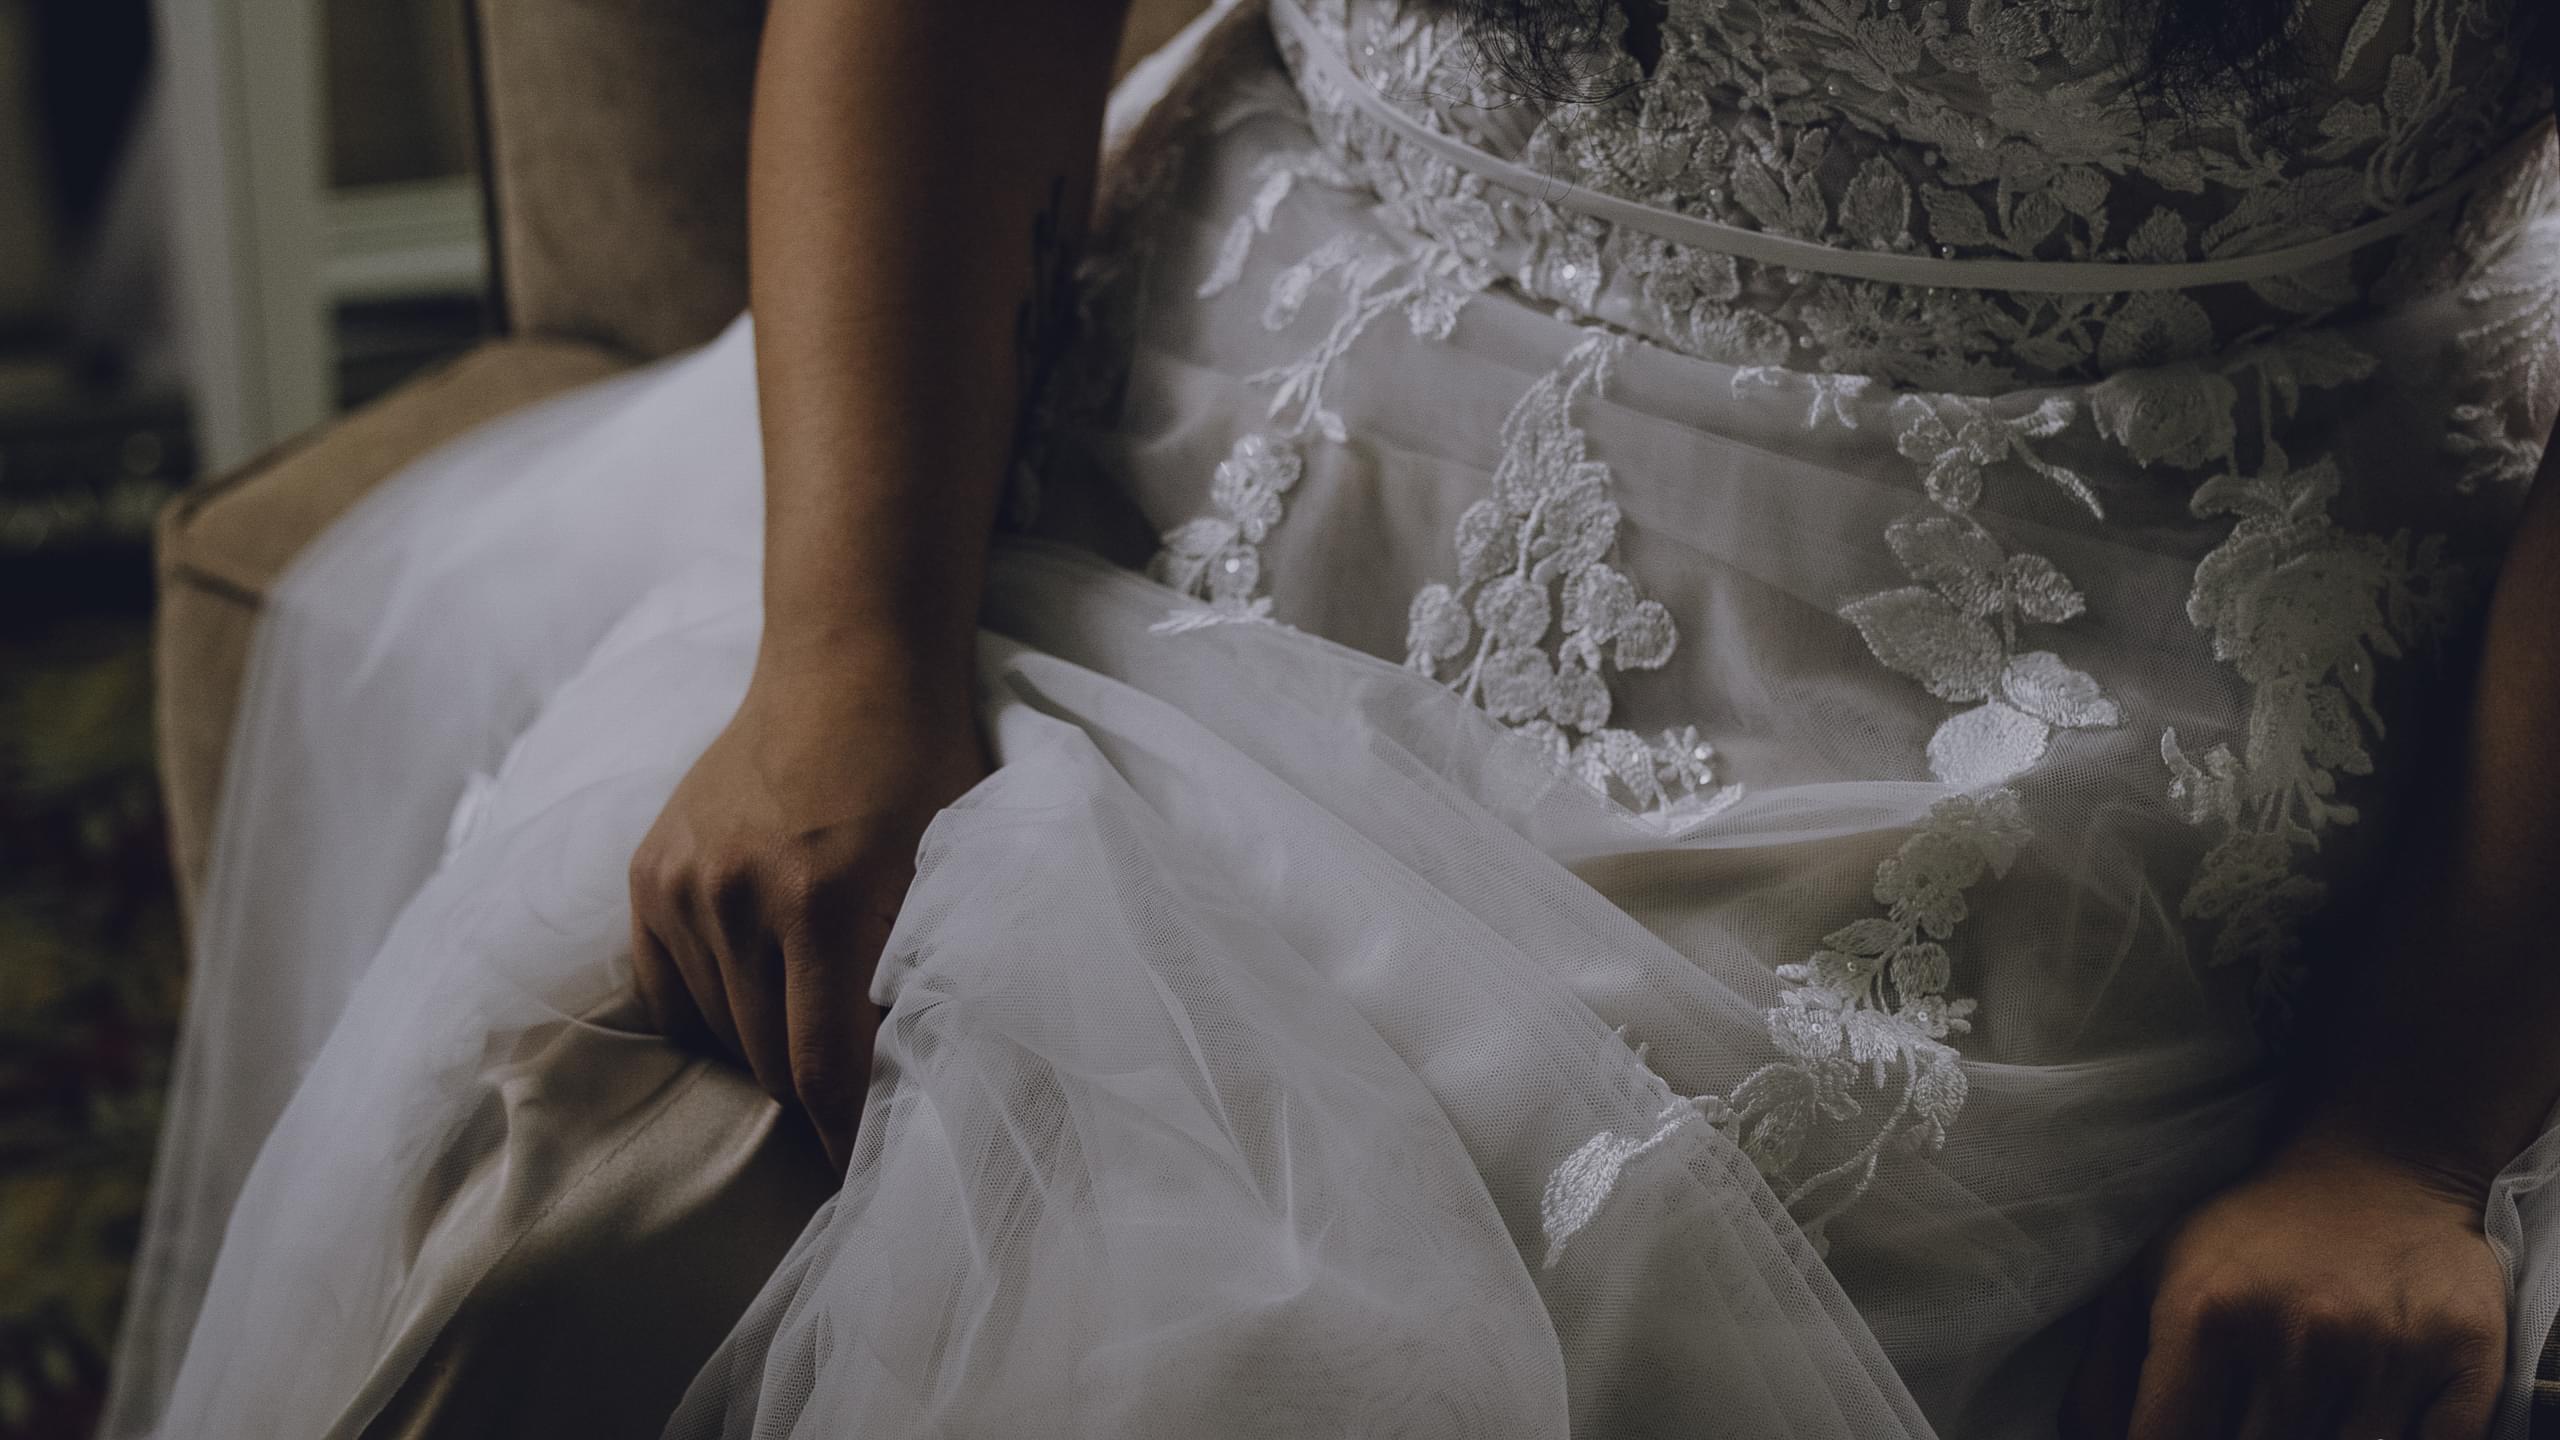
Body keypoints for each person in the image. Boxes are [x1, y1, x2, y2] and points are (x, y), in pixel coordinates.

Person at [102, 0, 2560, 1435]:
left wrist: (2410, 1126)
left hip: (2114, 700)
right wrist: (844, 650)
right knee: (554, 1204)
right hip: (1187, 482)